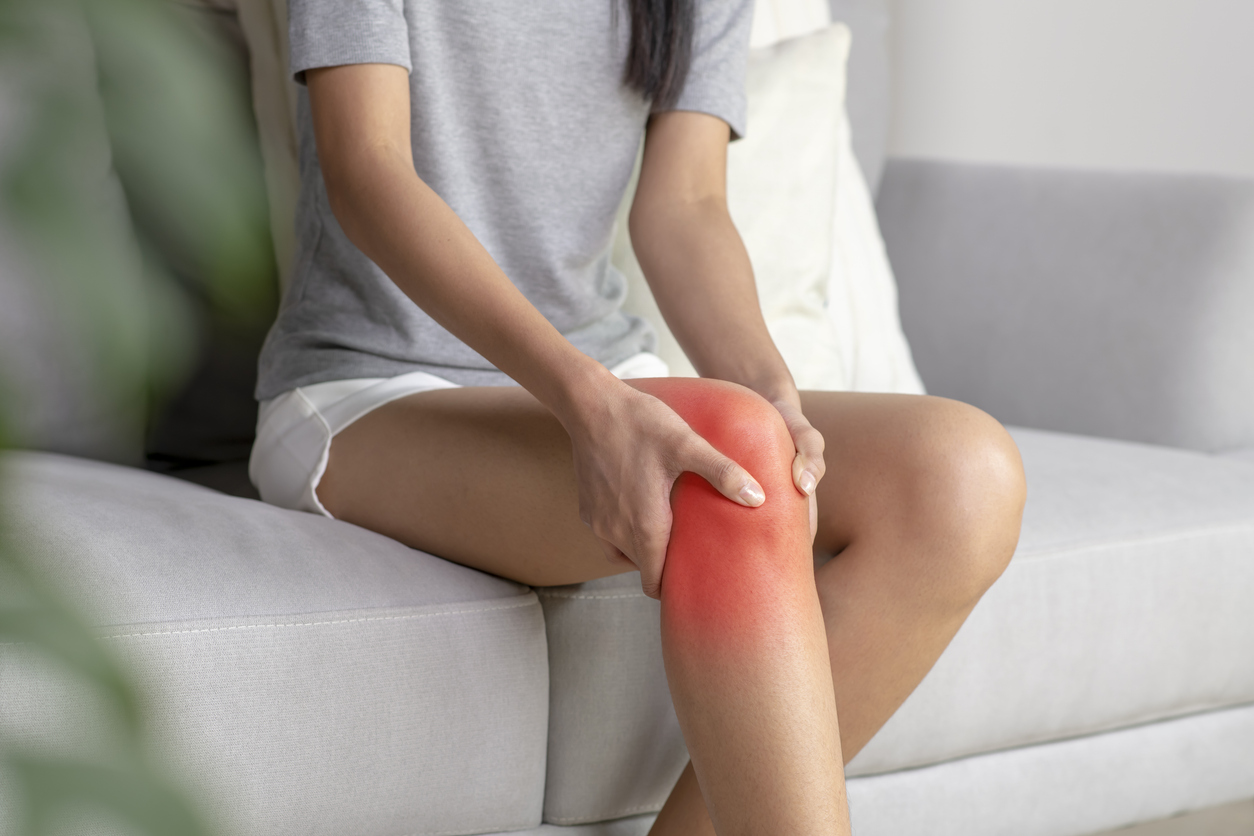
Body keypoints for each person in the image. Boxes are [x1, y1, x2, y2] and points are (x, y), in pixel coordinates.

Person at [248, 0, 1027, 833]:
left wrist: (770, 389)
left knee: (962, 476)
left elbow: (686, 205)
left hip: (610, 373)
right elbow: (367, 170)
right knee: (732, 455)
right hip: (377, 392)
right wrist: (590, 404)